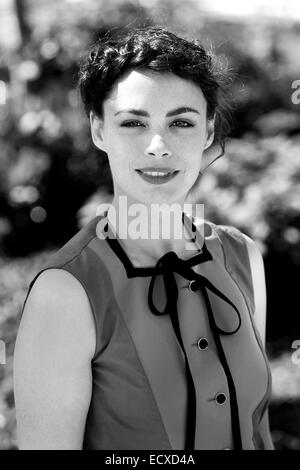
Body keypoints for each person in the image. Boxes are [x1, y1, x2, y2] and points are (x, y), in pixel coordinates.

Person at [13, 26, 274, 450]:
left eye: (181, 122)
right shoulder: (66, 291)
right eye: (133, 122)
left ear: (208, 132)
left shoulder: (243, 256)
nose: (158, 145)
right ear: (99, 131)